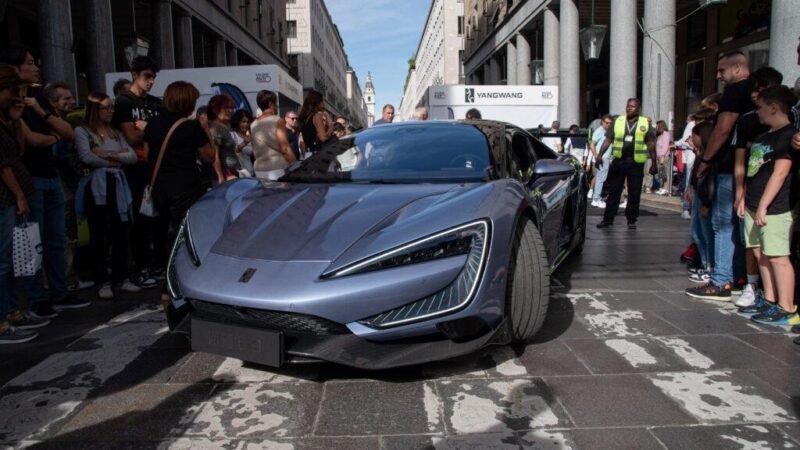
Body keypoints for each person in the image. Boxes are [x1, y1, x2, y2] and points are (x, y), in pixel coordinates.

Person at [0, 46, 89, 315]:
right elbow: (28, 141)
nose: (36, 67)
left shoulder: (37, 98)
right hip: (29, 182)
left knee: (56, 239)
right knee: (31, 243)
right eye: (29, 62)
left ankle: (59, 292)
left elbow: (68, 132)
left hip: (51, 178)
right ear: (14, 69)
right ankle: (36, 299)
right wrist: (52, 137)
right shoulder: (9, 105)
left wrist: (40, 111)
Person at [144, 81, 223, 308]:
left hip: (158, 186)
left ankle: (166, 285)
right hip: (184, 186)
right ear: (187, 102)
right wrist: (206, 130)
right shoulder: (190, 127)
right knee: (180, 238)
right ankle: (171, 288)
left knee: (162, 236)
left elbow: (148, 155)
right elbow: (209, 156)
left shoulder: (153, 124)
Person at [687, 51, 752, 301]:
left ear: (737, 69)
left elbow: (723, 129)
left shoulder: (735, 93)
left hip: (727, 167)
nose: (718, 76)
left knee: (722, 224)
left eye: (722, 70)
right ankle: (737, 278)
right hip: (747, 166)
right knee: (736, 225)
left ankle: (721, 280)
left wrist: (706, 160)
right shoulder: (752, 93)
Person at [737, 85, 798, 325]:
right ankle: (770, 299)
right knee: (759, 252)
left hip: (775, 207)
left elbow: (780, 174)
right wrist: (745, 198)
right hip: (753, 203)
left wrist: (763, 205)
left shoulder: (788, 136)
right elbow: (755, 172)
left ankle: (786, 307)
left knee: (777, 256)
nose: (757, 112)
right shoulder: (763, 136)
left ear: (774, 107)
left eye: (760, 107)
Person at [0, 66, 49, 343]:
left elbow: (17, 153)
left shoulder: (6, 120)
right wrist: (19, 195)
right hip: (5, 197)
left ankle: (11, 312)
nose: (14, 98)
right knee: (3, 262)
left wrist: (17, 121)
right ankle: (3, 319)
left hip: (13, 195)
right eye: (12, 93)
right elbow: (3, 165)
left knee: (9, 260)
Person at [74, 93, 140, 299]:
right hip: (97, 187)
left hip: (118, 184)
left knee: (121, 231)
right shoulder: (83, 131)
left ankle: (121, 277)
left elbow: (132, 157)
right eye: (106, 108)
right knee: (99, 233)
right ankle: (102, 279)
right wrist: (116, 159)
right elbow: (87, 157)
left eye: (111, 107)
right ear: (95, 109)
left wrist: (108, 155)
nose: (111, 111)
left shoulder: (116, 132)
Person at [732, 66, 784, 308]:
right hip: (753, 193)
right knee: (754, 248)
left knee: (776, 253)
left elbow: (781, 172)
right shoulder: (749, 121)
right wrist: (741, 192)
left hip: (777, 199)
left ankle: (779, 300)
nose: (756, 100)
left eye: (760, 95)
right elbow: (741, 159)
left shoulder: (789, 126)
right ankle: (758, 290)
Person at [112, 55, 162, 289]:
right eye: (146, 77)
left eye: (153, 77)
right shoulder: (124, 102)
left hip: (155, 166)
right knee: (138, 219)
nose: (150, 81)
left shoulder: (154, 102)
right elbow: (131, 137)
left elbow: (161, 132)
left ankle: (153, 264)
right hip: (133, 168)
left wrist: (148, 128)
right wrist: (152, 130)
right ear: (134, 75)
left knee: (156, 218)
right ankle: (140, 267)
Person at [597, 98, 658, 230]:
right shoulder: (618, 121)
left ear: (638, 108)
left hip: (636, 162)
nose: (629, 108)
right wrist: (599, 156)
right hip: (619, 161)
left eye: (632, 106)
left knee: (634, 192)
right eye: (628, 106)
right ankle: (608, 219)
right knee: (614, 191)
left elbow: (651, 144)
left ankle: (631, 219)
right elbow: (608, 140)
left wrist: (654, 163)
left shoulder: (645, 123)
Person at [251, 90, 296, 180]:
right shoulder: (277, 121)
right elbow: (285, 149)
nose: (277, 106)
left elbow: (254, 150)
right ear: (271, 104)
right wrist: (296, 165)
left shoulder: (253, 124)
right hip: (277, 167)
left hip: (259, 169)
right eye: (276, 103)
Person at [207, 94, 240, 179]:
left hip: (232, 173)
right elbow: (215, 156)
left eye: (231, 107)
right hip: (226, 175)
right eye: (226, 108)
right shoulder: (214, 128)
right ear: (215, 109)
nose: (230, 110)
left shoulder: (224, 127)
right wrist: (221, 177)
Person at [298, 89, 333, 155]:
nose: (324, 104)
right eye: (322, 101)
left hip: (308, 154)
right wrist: (331, 127)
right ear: (317, 103)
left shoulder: (306, 118)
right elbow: (323, 138)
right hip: (317, 155)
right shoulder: (317, 116)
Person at [590, 115, 614, 208]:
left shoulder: (606, 131)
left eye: (610, 123)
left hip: (605, 157)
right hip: (602, 157)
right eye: (606, 122)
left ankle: (596, 198)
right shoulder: (599, 131)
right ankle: (596, 199)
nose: (608, 124)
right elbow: (592, 144)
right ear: (602, 122)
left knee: (601, 178)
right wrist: (596, 156)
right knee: (601, 178)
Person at [230, 109, 254, 177]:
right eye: (243, 122)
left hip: (250, 174)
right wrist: (244, 143)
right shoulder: (232, 135)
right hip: (239, 174)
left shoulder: (250, 136)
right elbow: (233, 151)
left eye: (248, 122)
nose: (246, 124)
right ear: (237, 122)